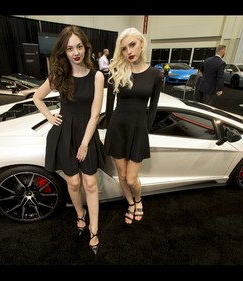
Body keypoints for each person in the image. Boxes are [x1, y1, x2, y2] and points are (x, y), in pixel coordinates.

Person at [33, 25, 104, 255]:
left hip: (87, 135)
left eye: (79, 46)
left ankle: (94, 229)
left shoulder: (97, 76)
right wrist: (50, 117)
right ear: (64, 51)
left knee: (90, 184)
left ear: (86, 47)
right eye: (70, 48)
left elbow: (95, 114)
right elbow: (37, 97)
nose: (76, 52)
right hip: (64, 134)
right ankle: (80, 214)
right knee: (73, 183)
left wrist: (85, 143)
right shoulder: (58, 75)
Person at [103, 27, 161, 225]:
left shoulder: (155, 75)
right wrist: (109, 130)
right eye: (125, 48)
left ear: (142, 43)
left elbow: (153, 107)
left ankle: (138, 199)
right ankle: (130, 203)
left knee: (130, 178)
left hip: (138, 130)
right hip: (117, 128)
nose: (129, 51)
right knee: (121, 175)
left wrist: (146, 129)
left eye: (133, 44)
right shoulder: (117, 71)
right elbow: (109, 107)